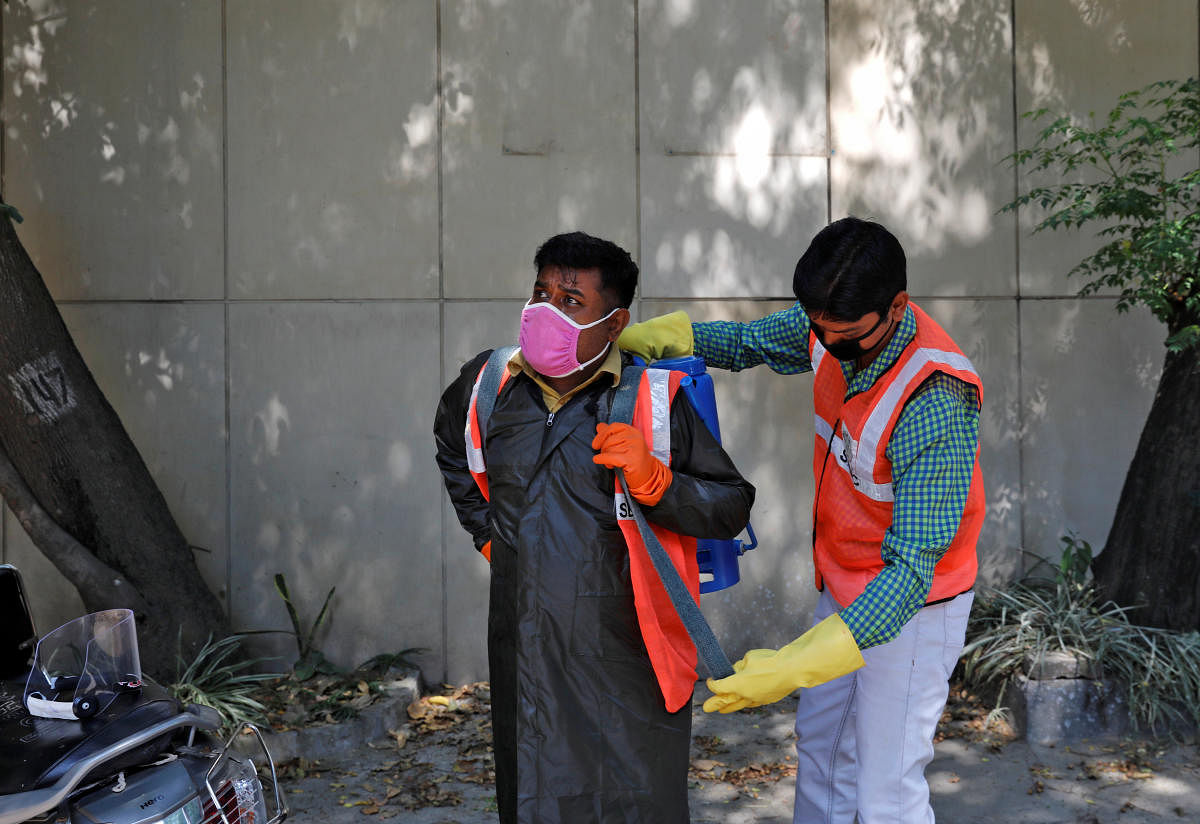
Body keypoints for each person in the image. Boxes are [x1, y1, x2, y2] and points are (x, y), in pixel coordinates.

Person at [620, 216, 983, 824]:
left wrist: (796, 663)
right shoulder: (828, 321)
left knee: (887, 791)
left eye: (845, 336)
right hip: (842, 582)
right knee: (822, 759)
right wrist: (669, 337)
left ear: (896, 307)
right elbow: (748, 343)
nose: (827, 344)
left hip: (915, 609)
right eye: (818, 328)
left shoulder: (935, 398)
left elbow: (910, 573)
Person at [433, 231, 755, 824]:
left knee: (633, 805)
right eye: (540, 293)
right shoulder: (489, 385)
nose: (545, 312)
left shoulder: (652, 400)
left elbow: (730, 504)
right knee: (535, 801)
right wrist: (487, 534)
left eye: (570, 301)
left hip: (628, 661)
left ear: (615, 323)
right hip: (526, 650)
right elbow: (453, 449)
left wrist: (657, 482)